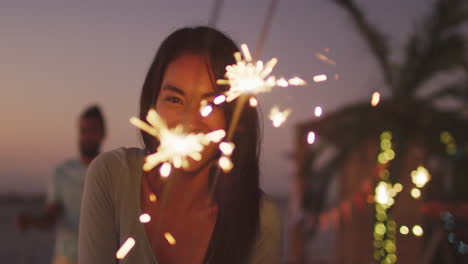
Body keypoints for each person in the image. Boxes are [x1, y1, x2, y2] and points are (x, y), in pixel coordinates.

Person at [78, 26, 282, 264]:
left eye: (211, 103)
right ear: (152, 105)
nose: (189, 121)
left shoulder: (261, 218)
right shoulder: (112, 176)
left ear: (234, 116)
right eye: (175, 99)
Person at [17, 105, 106, 264]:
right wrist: (32, 221)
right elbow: (52, 216)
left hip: (101, 257)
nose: (87, 136)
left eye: (92, 131)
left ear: (102, 134)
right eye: (83, 131)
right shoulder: (62, 172)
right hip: (67, 256)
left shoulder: (110, 171)